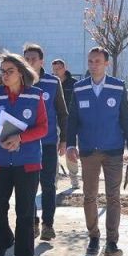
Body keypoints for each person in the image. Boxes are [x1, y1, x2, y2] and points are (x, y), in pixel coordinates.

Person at [65, 47, 128, 256]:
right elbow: (72, 119)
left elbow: (125, 119)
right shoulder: (79, 88)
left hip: (113, 150)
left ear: (106, 63)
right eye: (90, 61)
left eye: (97, 61)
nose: (93, 65)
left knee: (113, 197)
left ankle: (112, 242)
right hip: (88, 151)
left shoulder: (117, 86)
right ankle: (94, 237)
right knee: (89, 196)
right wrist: (70, 145)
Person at [0, 52, 48, 256]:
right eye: (2, 71)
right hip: (0, 162)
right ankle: (3, 241)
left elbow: (43, 128)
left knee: (25, 212)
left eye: (9, 71)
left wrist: (20, 138)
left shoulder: (35, 95)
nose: (5, 75)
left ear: (21, 73)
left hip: (27, 162)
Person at [23, 44, 68, 241]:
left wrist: (64, 139)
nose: (30, 62)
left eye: (33, 58)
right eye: (26, 58)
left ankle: (48, 224)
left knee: (48, 184)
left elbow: (62, 113)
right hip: (25, 143)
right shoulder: (19, 81)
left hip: (48, 143)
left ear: (41, 61)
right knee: (28, 186)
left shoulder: (52, 82)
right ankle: (32, 222)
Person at [51, 58, 80, 190]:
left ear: (65, 68)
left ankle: (74, 179)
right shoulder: (51, 83)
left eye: (59, 68)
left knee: (70, 151)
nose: (57, 71)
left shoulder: (74, 84)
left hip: (69, 123)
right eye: (54, 69)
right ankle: (54, 181)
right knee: (53, 153)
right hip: (53, 122)